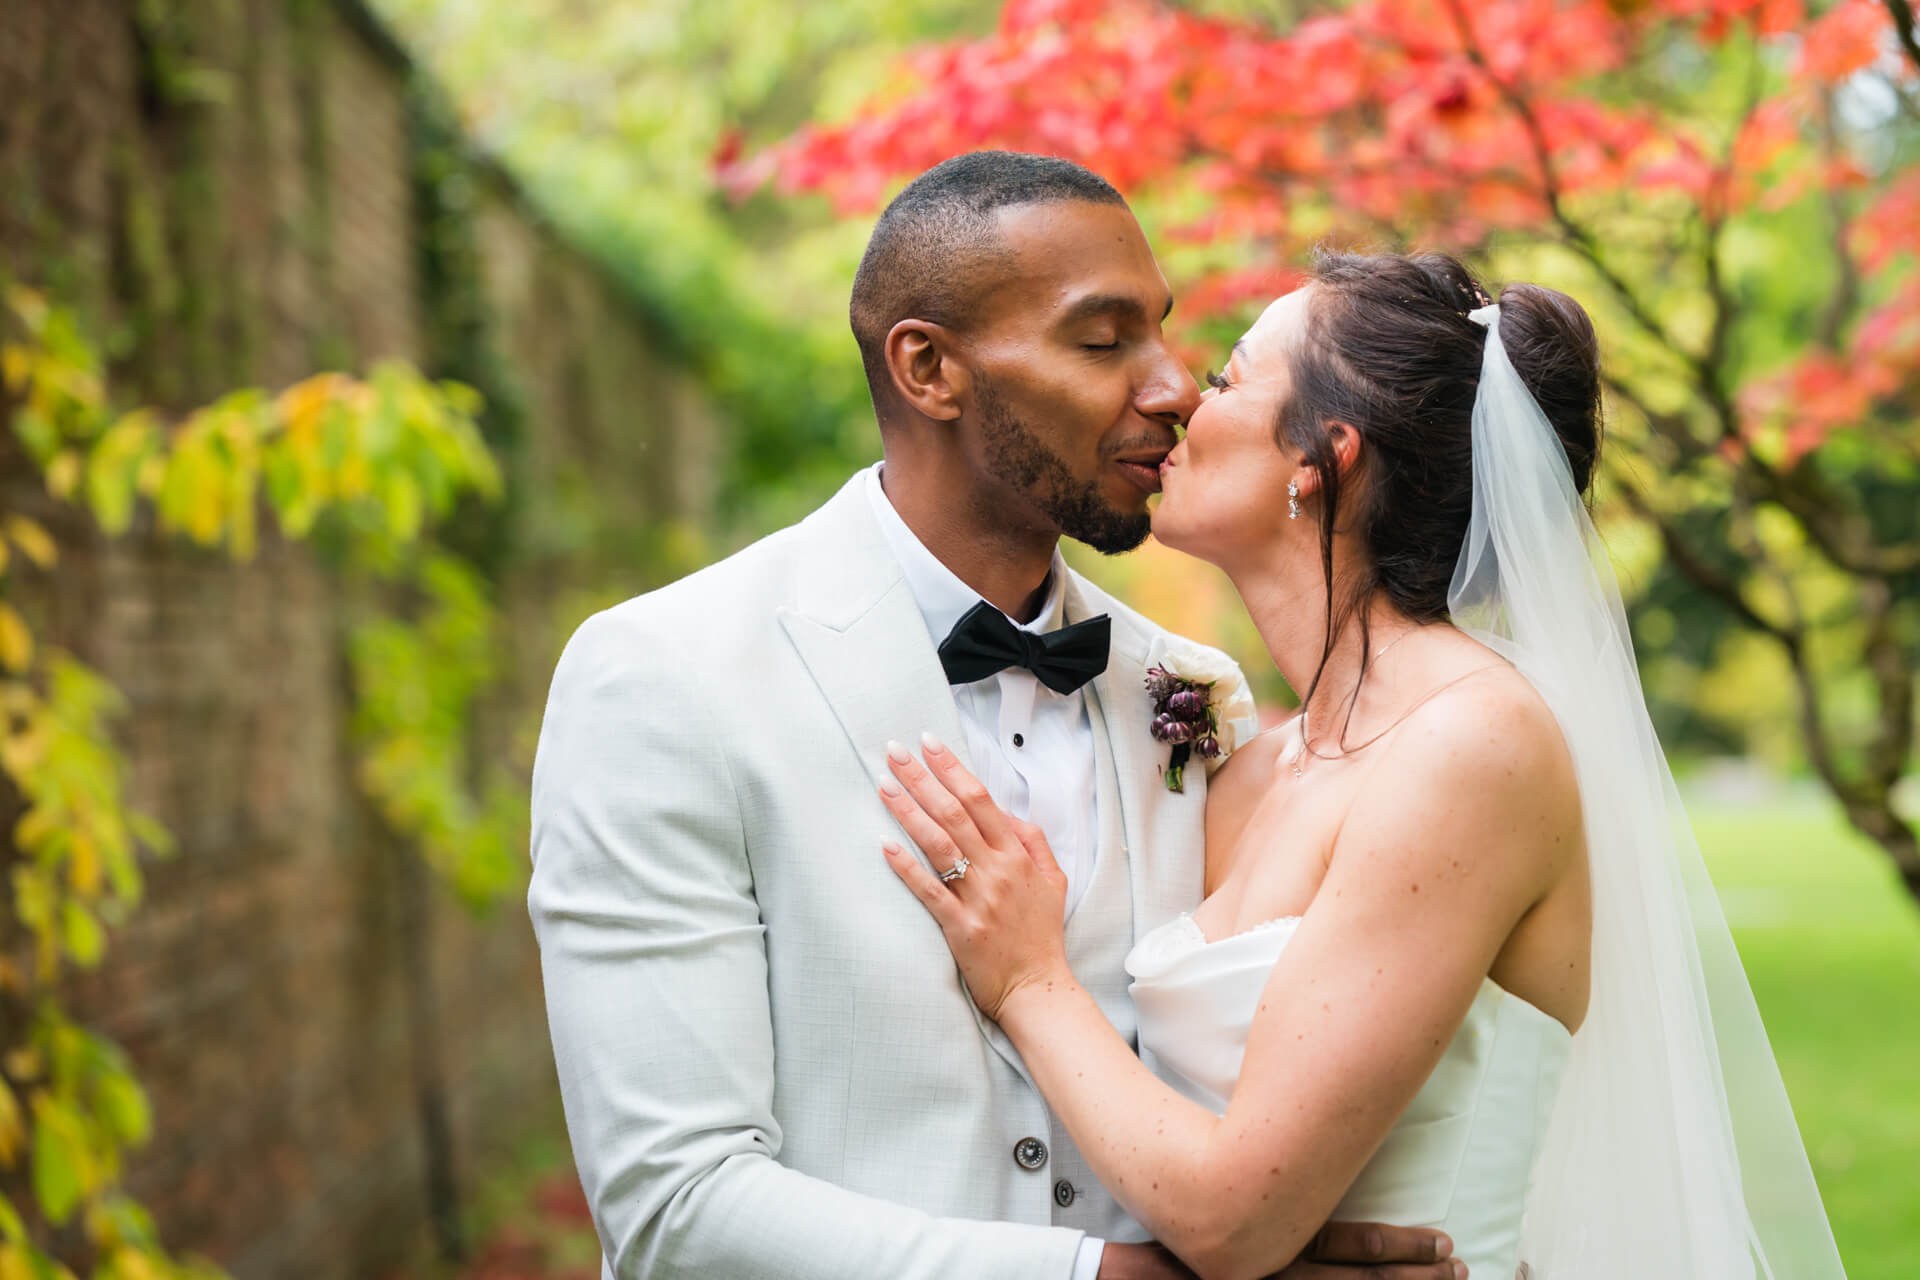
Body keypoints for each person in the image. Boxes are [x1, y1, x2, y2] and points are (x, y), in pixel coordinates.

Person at [528, 154, 1462, 1279]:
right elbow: (674, 1207)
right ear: (928, 369)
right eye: (1103, 342)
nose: (1174, 388)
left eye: (1163, 334)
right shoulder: (666, 678)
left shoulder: (1192, 692)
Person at [876, 252, 1849, 1280]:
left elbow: (1234, 1220)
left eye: (1228, 378)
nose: (1180, 401)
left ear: (1324, 458)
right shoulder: (1244, 763)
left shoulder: (1471, 743)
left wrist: (1030, 978)